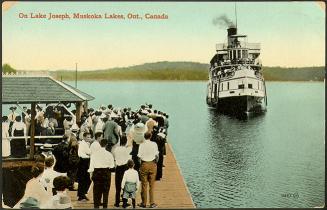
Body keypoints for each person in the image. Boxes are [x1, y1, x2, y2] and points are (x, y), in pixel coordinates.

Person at [88, 138, 115, 208]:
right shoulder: (109, 154)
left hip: (96, 172)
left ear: (99, 144)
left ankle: (96, 206)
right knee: (106, 192)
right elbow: (112, 166)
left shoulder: (94, 154)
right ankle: (105, 206)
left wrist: (91, 175)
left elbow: (91, 167)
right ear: (106, 145)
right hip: (106, 173)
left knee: (96, 192)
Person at [137, 132, 159, 208]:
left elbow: (139, 157)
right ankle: (152, 203)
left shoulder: (141, 145)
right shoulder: (154, 144)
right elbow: (157, 155)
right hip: (152, 164)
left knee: (144, 184)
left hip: (144, 164)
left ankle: (144, 203)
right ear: (151, 136)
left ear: (144, 137)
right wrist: (156, 163)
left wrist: (141, 164)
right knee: (152, 185)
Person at [112, 133, 132, 207]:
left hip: (118, 168)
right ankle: (124, 203)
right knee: (125, 187)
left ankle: (117, 202)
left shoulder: (116, 149)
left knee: (118, 187)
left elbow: (114, 156)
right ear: (126, 142)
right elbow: (129, 159)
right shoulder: (127, 150)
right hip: (125, 168)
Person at [77, 132, 92, 201]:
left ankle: (82, 194)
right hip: (83, 162)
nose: (89, 138)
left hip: (84, 161)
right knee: (84, 179)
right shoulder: (83, 144)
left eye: (90, 137)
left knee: (85, 179)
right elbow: (89, 152)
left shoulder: (85, 143)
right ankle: (81, 195)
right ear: (84, 137)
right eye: (88, 137)